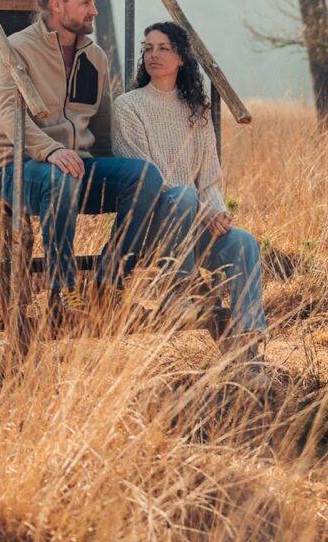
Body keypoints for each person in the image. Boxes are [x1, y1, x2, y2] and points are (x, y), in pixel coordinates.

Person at [0, 0, 171, 317]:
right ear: (57, 5)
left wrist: (115, 169)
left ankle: (108, 284)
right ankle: (63, 293)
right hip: (20, 170)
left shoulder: (95, 57)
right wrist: (52, 150)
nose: (94, 11)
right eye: (85, 3)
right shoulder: (16, 50)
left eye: (94, 2)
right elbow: (9, 115)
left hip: (78, 169)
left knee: (145, 176)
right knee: (60, 176)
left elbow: (102, 125)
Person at [113, 21, 267, 349]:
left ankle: (249, 348)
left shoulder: (197, 112)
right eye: (148, 48)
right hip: (153, 228)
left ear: (181, 57)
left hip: (193, 223)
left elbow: (209, 179)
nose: (153, 55)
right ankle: (175, 295)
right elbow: (147, 179)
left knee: (244, 243)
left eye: (163, 48)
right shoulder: (128, 107)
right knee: (182, 195)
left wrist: (217, 212)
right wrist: (200, 209)